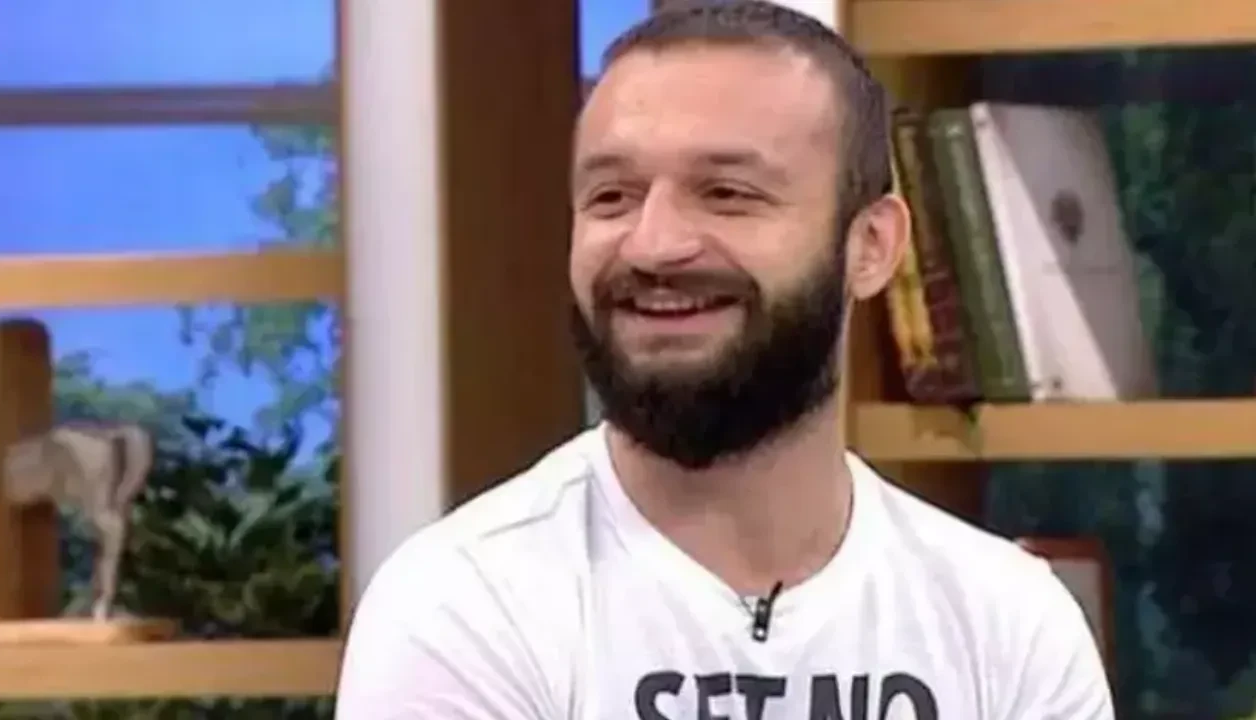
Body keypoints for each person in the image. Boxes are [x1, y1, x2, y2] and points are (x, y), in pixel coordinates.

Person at [334, 1, 1114, 718]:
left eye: (727, 193)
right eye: (611, 197)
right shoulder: (467, 608)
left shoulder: (1008, 625)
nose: (653, 245)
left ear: (872, 247)